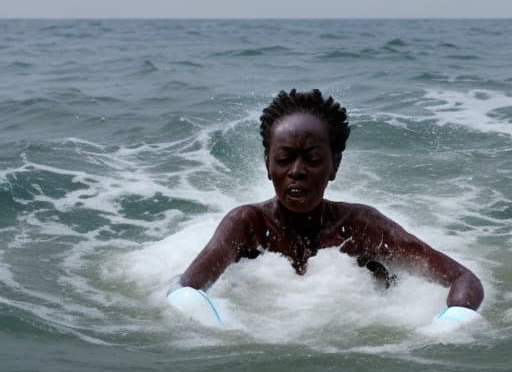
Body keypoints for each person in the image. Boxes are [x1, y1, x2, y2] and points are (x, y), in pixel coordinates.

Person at [173, 89, 484, 312]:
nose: (297, 171)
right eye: (284, 159)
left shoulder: (361, 227)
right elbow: (189, 289)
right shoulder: (247, 225)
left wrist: (452, 320)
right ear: (268, 164)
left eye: (312, 159)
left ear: (334, 165)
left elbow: (462, 278)